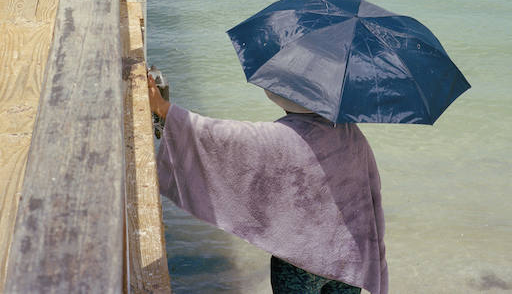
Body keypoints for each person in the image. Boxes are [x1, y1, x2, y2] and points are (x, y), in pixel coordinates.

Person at [148, 77, 388, 294]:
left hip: (300, 261)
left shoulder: (282, 136)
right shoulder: (350, 132)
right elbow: (370, 195)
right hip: (349, 258)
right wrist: (374, 258)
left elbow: (220, 137)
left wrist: (162, 107)